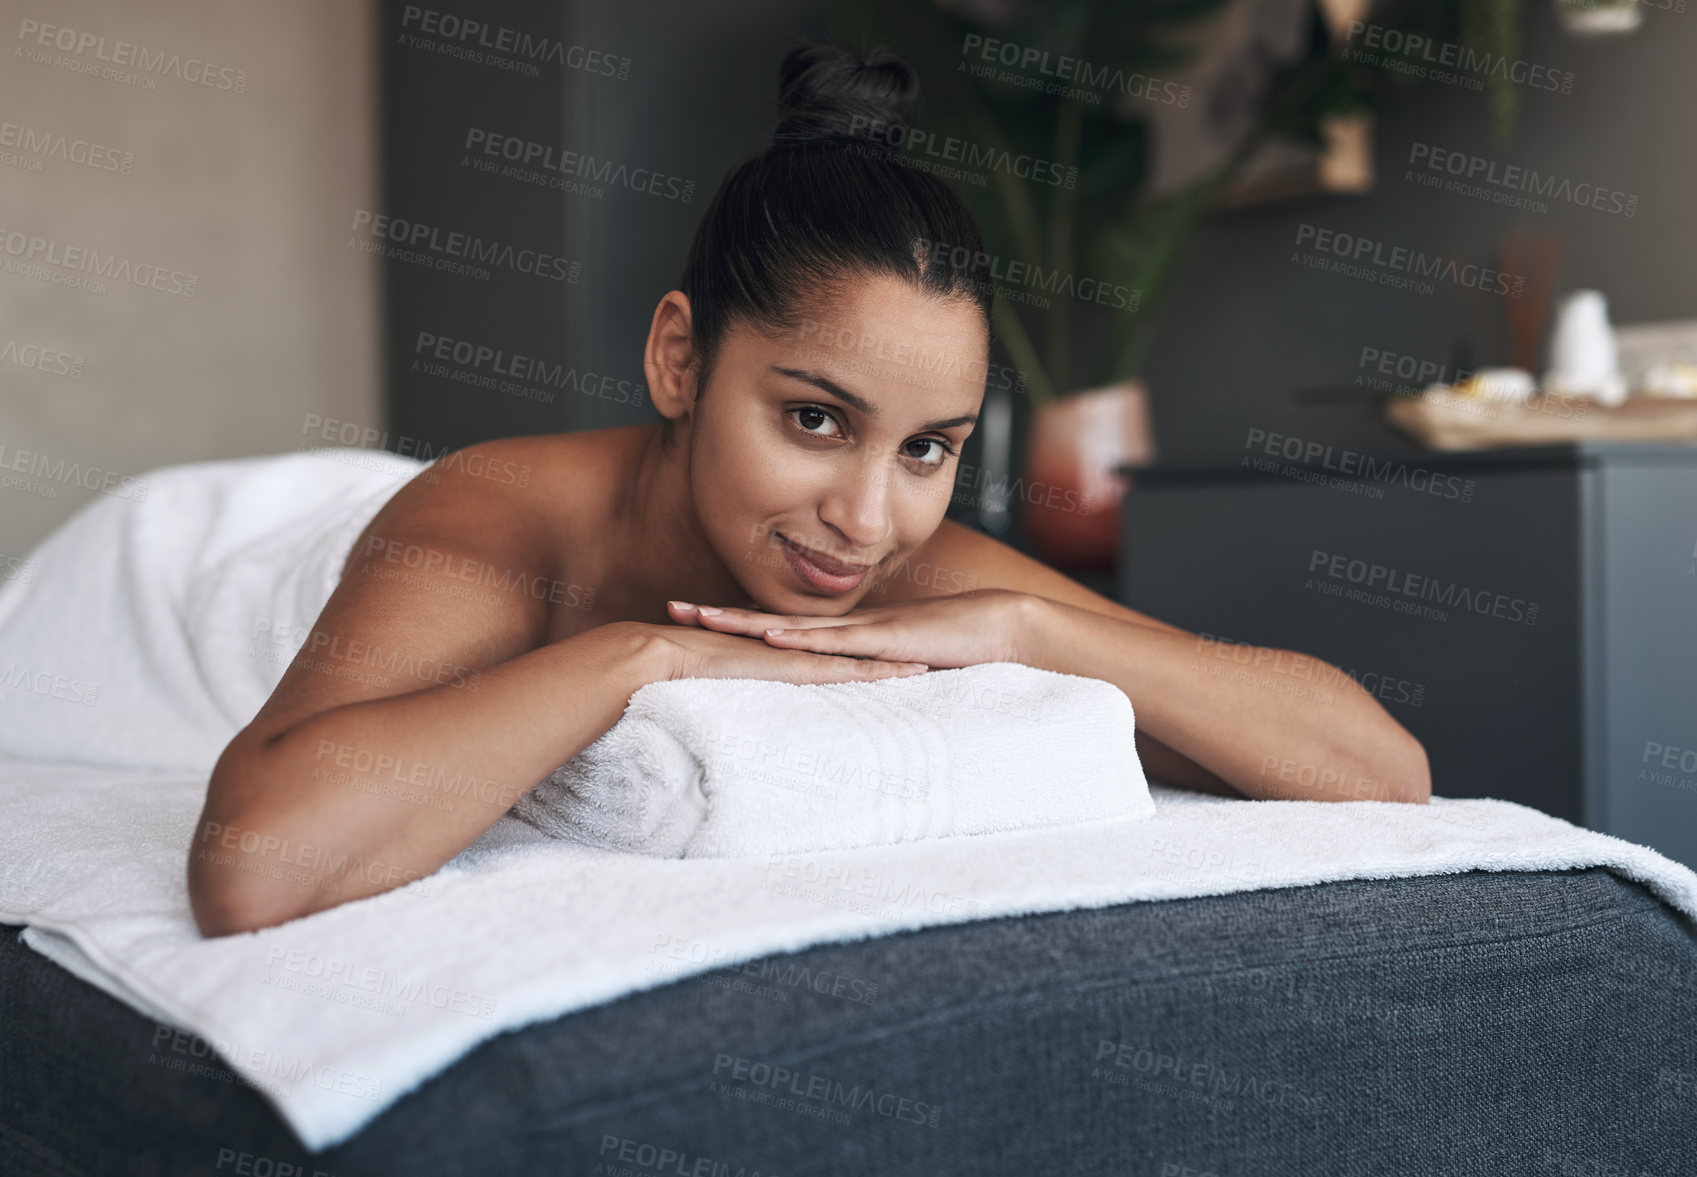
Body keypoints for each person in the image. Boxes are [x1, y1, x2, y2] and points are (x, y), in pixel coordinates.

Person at [188, 43, 1429, 938]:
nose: (865, 516)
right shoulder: (500, 521)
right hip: (224, 555)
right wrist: (641, 660)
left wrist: (1033, 628)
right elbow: (254, 869)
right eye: (814, 418)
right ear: (679, 357)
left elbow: (1379, 769)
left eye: (928, 447)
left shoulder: (902, 562)